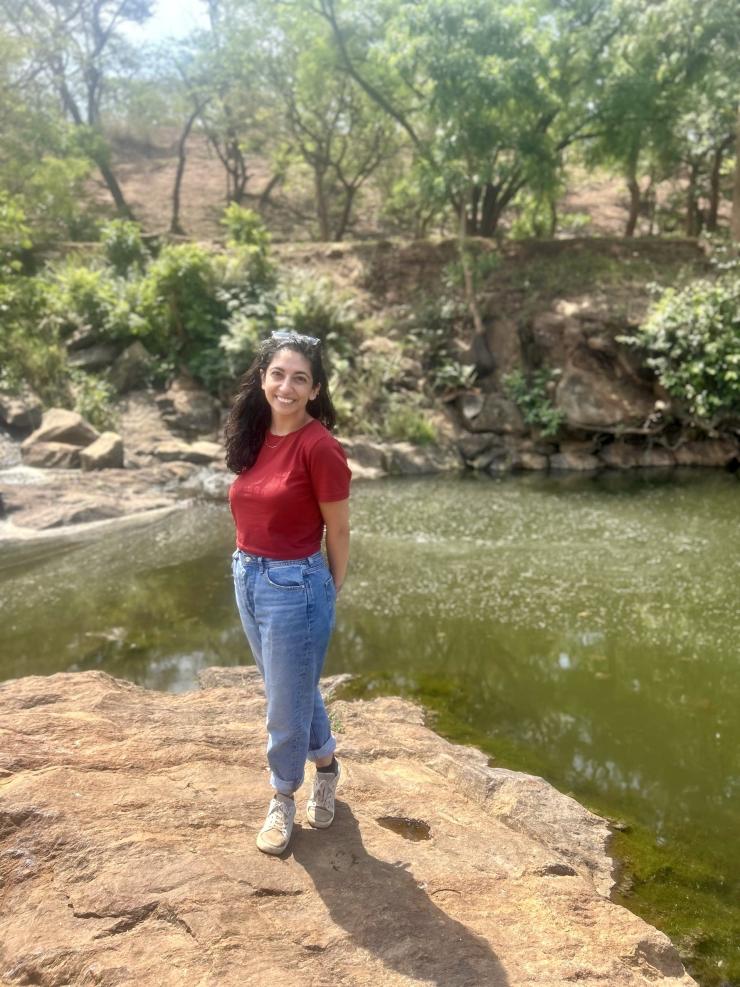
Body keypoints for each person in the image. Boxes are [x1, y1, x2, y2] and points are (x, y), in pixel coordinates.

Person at [224, 330, 351, 855]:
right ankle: (328, 766)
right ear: (262, 379)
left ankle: (283, 795)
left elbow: (337, 531)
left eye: (300, 378)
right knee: (294, 686)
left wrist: (327, 591)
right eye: (278, 374)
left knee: (283, 702)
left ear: (315, 389)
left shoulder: (320, 448)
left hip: (295, 584)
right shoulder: (253, 434)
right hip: (247, 574)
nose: (287, 386)